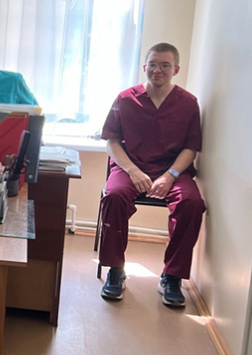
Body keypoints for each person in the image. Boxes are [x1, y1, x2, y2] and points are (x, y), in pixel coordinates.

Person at [99, 43, 205, 306]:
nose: (158, 70)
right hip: (130, 167)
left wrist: (170, 175)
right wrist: (132, 170)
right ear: (144, 67)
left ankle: (172, 276)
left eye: (165, 65)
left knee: (192, 203)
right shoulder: (125, 99)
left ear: (175, 69)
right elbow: (112, 141)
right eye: (153, 64)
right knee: (114, 195)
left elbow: (191, 148)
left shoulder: (188, 103)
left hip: (172, 170)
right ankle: (116, 270)